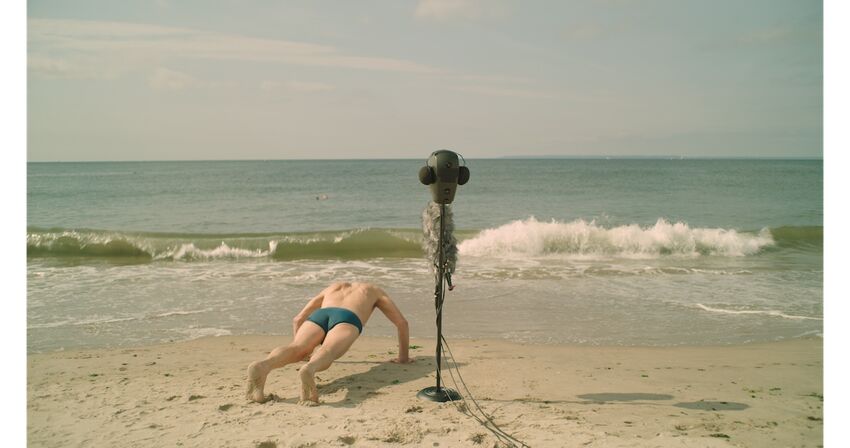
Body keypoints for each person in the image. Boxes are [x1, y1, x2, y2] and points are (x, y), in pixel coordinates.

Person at [246, 281, 413, 405]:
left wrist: (304, 354)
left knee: (296, 347)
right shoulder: (374, 290)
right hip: (348, 318)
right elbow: (401, 323)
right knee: (329, 350)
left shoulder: (333, 287)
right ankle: (310, 369)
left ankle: (264, 365)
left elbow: (297, 319)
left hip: (321, 315)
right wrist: (403, 358)